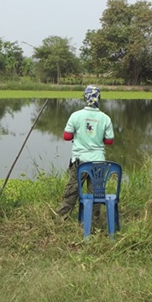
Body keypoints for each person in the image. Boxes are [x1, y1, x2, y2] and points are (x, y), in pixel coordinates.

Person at [56, 85, 115, 219]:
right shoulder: (105, 118)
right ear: (99, 99)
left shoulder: (76, 115)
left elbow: (66, 137)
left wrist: (79, 135)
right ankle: (94, 220)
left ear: (84, 98)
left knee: (72, 190)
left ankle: (62, 217)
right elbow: (109, 141)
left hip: (80, 161)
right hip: (98, 162)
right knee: (95, 193)